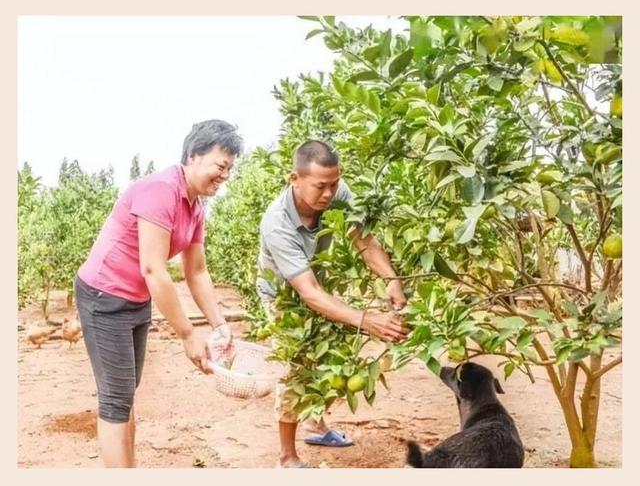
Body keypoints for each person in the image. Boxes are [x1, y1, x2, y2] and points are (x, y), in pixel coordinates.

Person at [75, 119, 243, 467]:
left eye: (230, 168)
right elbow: (153, 269)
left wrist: (219, 324)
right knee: (115, 400)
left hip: (136, 299)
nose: (225, 175)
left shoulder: (196, 205)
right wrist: (187, 334)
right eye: (220, 165)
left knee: (125, 394)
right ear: (193, 156)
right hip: (104, 296)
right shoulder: (160, 190)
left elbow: (196, 270)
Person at [256, 140, 409, 468]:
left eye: (334, 184)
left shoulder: (338, 193)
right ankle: (287, 457)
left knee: (331, 360)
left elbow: (363, 239)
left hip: (318, 285)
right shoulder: (276, 224)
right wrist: (368, 320)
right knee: (297, 370)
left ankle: (317, 424)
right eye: (320, 186)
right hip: (285, 297)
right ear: (294, 178)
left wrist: (391, 279)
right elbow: (307, 294)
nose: (329, 193)